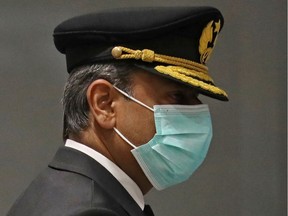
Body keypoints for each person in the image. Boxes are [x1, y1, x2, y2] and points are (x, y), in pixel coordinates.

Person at [7, 6, 228, 216]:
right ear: (104, 104)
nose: (196, 112)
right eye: (177, 96)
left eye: (195, 98)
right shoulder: (90, 211)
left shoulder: (66, 192)